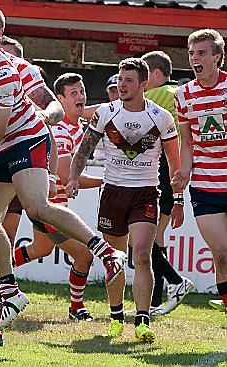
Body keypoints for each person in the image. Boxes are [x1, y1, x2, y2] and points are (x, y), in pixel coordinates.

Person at [0, 13, 126, 349]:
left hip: (25, 140)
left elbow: (1, 125)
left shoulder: (5, 71)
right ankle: (1, 300)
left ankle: (106, 252)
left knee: (36, 208)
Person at [67, 58, 184, 343]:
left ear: (144, 84)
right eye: (120, 79)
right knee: (115, 260)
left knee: (142, 254)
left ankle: (142, 320)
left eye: (129, 80)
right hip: (113, 192)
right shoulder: (106, 113)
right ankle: (117, 316)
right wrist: (73, 177)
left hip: (145, 192)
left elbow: (174, 162)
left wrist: (178, 199)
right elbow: (84, 150)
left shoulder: (161, 117)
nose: (122, 85)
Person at [13, 73, 103, 321]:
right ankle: (76, 308)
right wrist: (104, 181)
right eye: (73, 93)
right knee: (84, 255)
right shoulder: (61, 130)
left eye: (82, 91)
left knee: (40, 248)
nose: (81, 97)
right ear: (60, 100)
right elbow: (64, 175)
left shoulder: (78, 127)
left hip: (51, 205)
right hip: (50, 207)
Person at [174, 29, 227, 314]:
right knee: (221, 254)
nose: (195, 58)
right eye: (192, 53)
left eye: (202, 53)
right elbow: (187, 142)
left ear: (217, 57)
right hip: (205, 187)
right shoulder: (183, 95)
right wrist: (183, 175)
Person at [140, 50, 194, 315]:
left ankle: (176, 281)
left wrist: (79, 114)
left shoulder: (160, 94)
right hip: (174, 170)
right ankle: (155, 302)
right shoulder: (179, 92)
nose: (139, 83)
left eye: (143, 76)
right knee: (155, 237)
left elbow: (113, 108)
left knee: (144, 240)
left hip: (165, 169)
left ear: (156, 75)